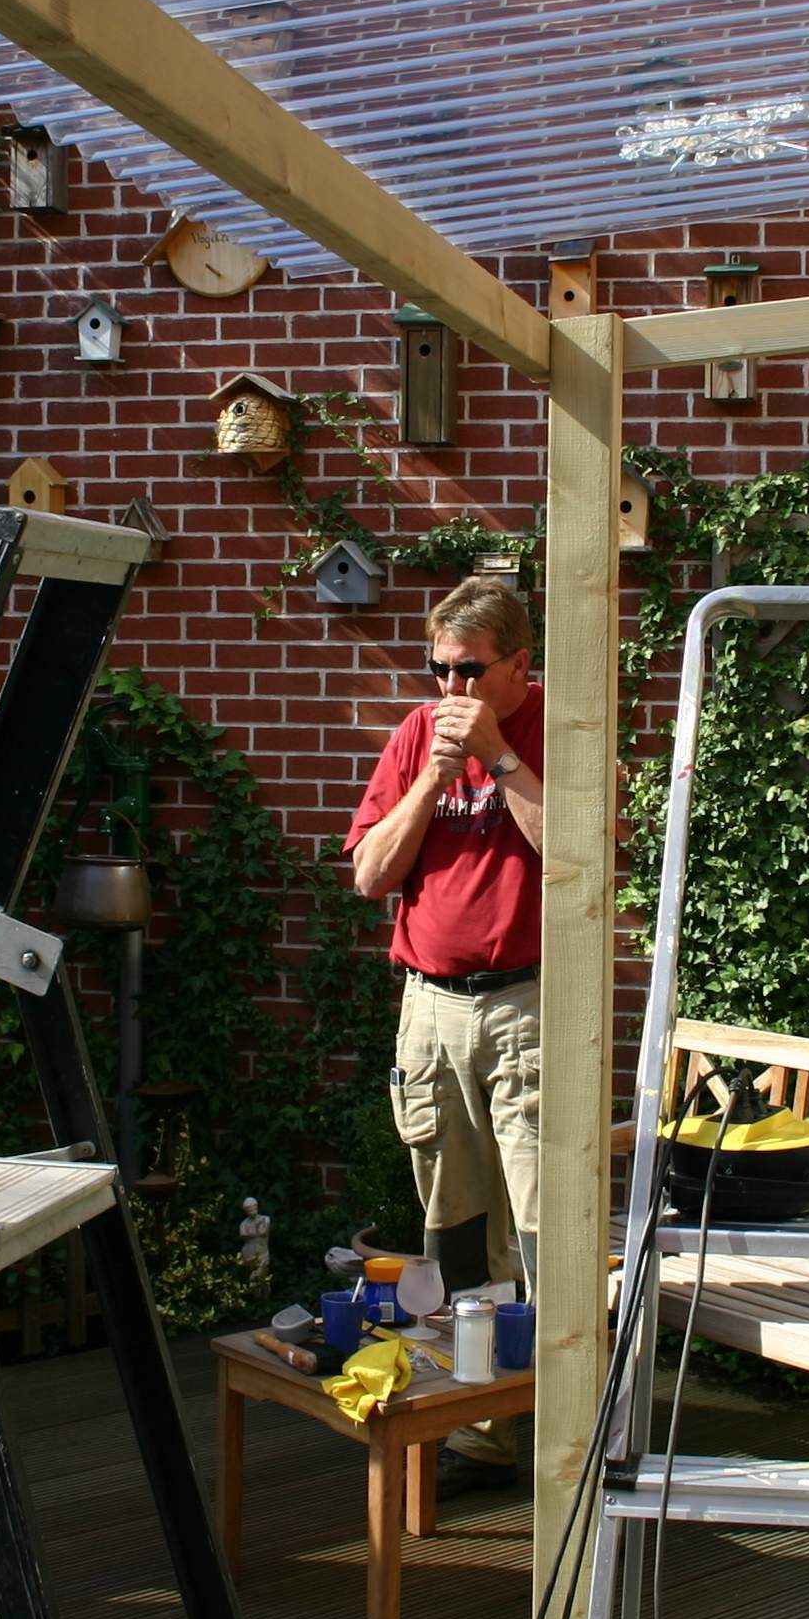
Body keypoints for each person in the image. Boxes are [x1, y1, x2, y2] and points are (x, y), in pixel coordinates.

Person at [345, 577, 544, 1492]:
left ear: (519, 665)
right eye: (438, 670)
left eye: (469, 671)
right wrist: (432, 772)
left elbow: (585, 858)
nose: (451, 689)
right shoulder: (417, 737)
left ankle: (564, 1428)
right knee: (455, 1226)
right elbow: (371, 876)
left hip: (530, 1006)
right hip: (430, 1009)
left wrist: (500, 759)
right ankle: (483, 1429)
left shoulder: (558, 726)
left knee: (543, 1227)